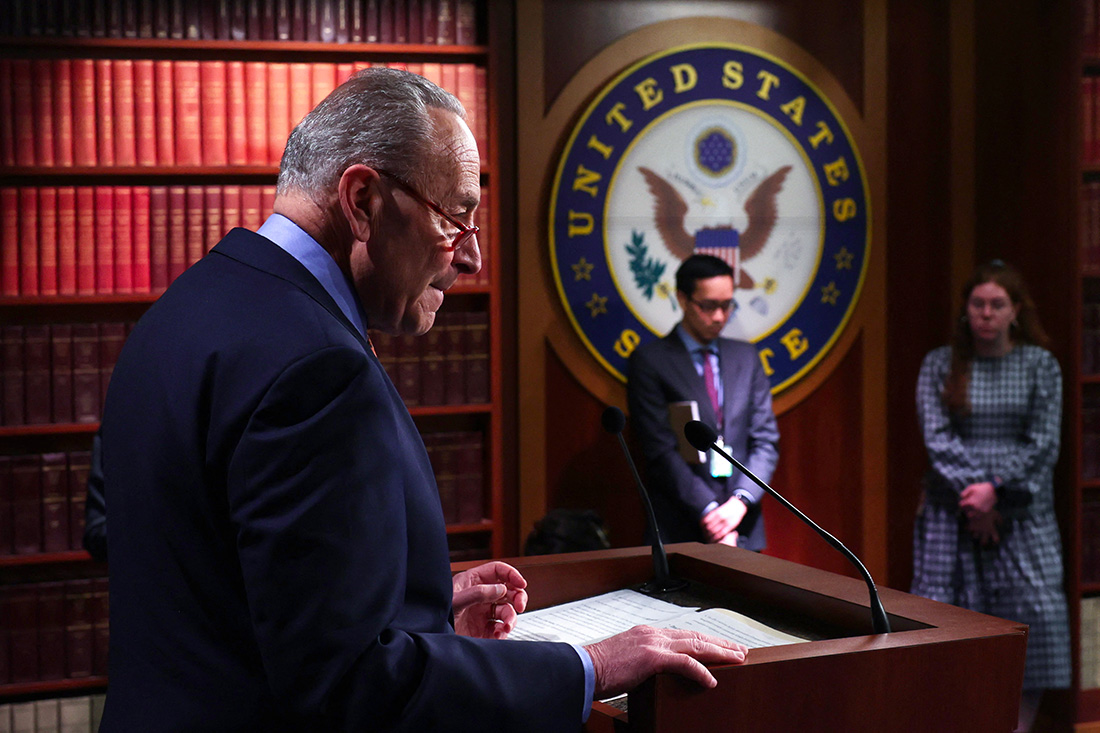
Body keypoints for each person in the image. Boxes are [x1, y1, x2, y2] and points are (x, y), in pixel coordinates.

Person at [96, 68, 747, 731]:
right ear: (363, 201)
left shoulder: (183, 309)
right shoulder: (319, 370)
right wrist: (593, 664)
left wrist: (413, 608)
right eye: (456, 217)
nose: (472, 258)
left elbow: (207, 579)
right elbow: (353, 687)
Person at [911, 259, 1071, 731]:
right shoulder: (940, 364)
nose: (986, 313)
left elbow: (1043, 444)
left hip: (1021, 516)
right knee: (946, 629)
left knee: (1033, 628)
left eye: (997, 304)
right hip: (952, 515)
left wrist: (994, 491)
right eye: (978, 304)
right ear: (966, 309)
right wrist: (976, 498)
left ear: (1016, 310)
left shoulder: (1040, 365)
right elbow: (938, 439)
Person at [627, 254, 780, 550]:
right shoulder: (650, 362)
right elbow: (659, 451)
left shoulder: (746, 357)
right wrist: (710, 513)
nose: (720, 316)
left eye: (727, 305)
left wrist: (739, 503)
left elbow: (765, 442)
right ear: (683, 299)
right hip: (681, 527)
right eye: (708, 306)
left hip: (742, 524)